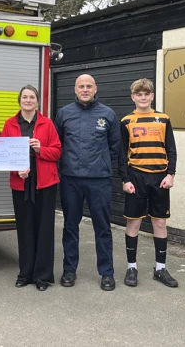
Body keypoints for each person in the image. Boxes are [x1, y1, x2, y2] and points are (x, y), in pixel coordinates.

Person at [54, 74, 121, 291]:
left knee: (102, 227)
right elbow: (58, 144)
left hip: (98, 180)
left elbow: (115, 147)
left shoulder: (108, 114)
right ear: (75, 90)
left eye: (88, 86)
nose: (84, 89)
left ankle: (107, 273)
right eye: (81, 86)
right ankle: (69, 270)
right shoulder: (64, 113)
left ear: (95, 89)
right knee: (70, 227)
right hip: (71, 179)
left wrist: (101, 165)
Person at [119, 78, 179, 288]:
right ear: (133, 97)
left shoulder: (163, 119)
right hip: (136, 177)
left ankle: (160, 269)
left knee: (160, 223)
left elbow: (171, 148)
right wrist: (125, 179)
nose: (143, 97)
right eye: (139, 94)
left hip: (160, 177)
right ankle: (131, 267)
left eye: (147, 94)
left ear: (152, 96)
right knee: (133, 223)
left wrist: (170, 174)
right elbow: (121, 154)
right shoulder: (126, 121)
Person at [1, 85, 61, 291]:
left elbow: (57, 152)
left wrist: (40, 149)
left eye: (32, 97)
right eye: (25, 97)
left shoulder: (47, 123)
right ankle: (25, 273)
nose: (28, 100)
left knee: (44, 230)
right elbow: (3, 154)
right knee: (24, 229)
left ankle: (43, 275)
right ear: (20, 100)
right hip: (21, 183)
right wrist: (17, 170)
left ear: (37, 101)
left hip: (45, 183)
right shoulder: (10, 124)